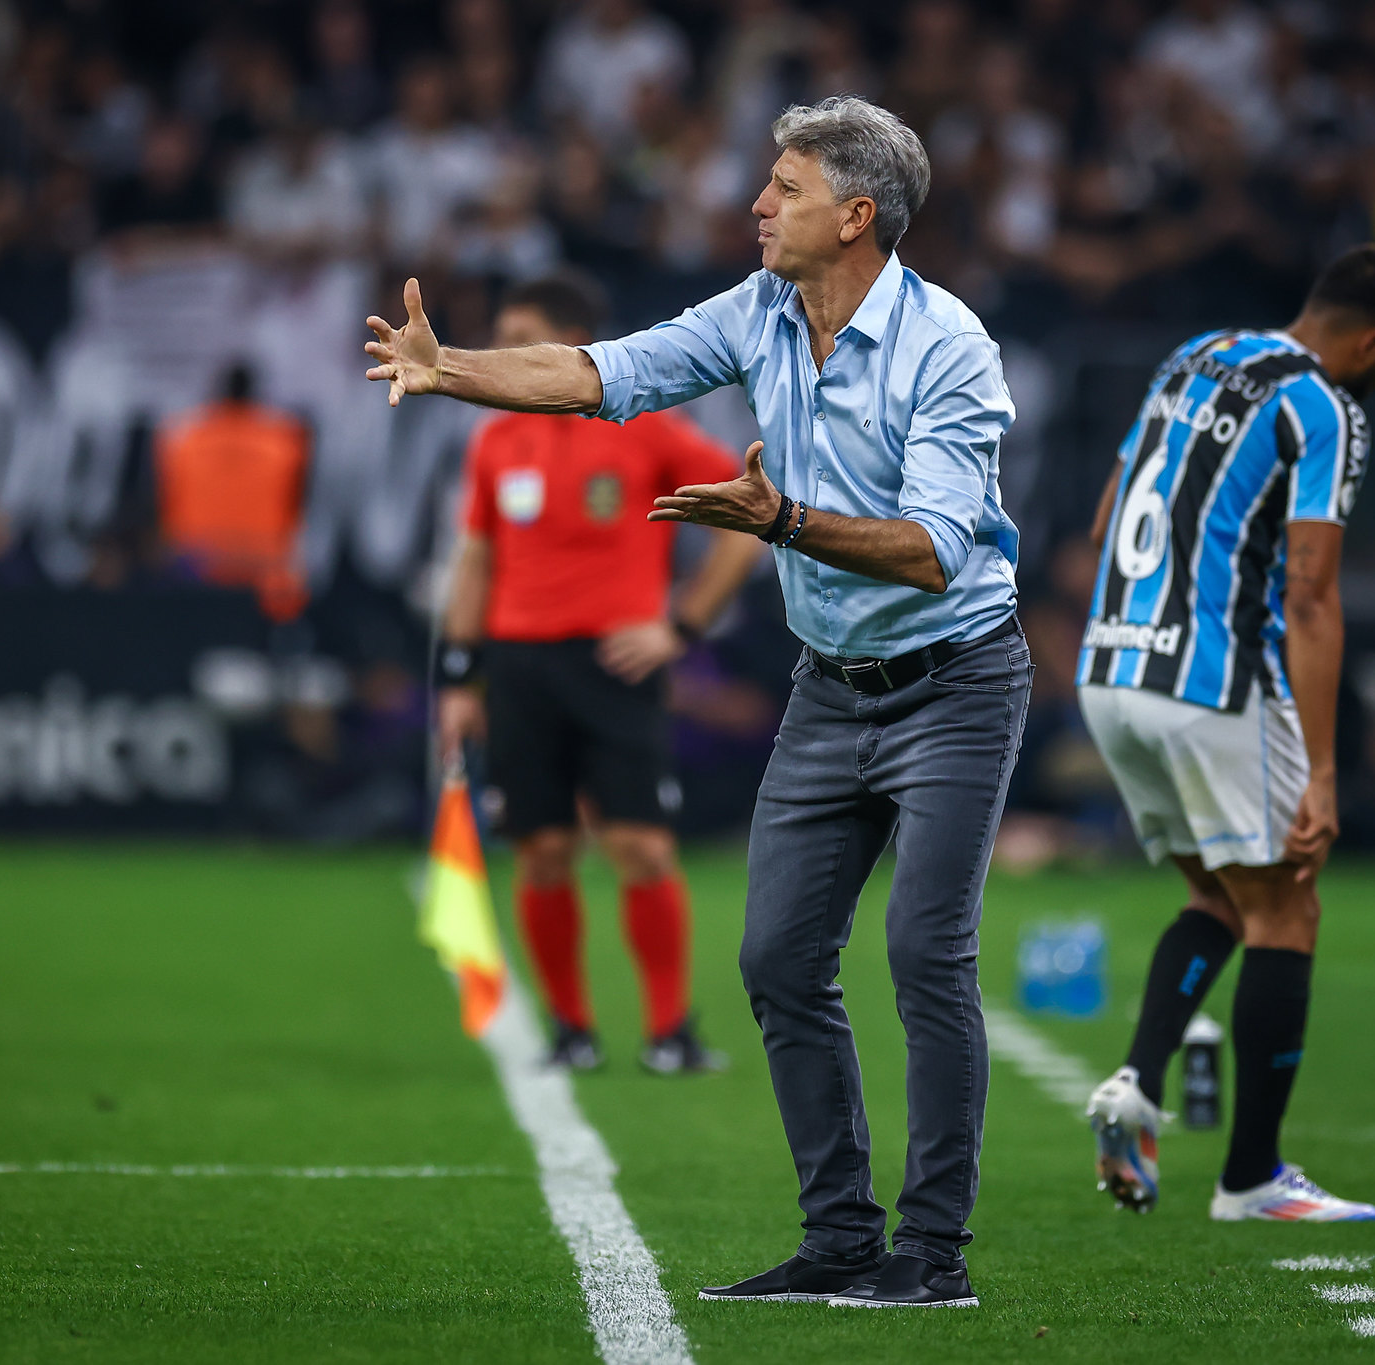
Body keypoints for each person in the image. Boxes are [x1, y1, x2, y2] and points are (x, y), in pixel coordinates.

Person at [371, 94, 1027, 1310]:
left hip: (952, 681)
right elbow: (600, 372)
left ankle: (929, 1257)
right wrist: (447, 366)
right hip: (830, 688)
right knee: (777, 959)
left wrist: (775, 520)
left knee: (923, 956)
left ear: (855, 215)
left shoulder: (951, 348)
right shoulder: (760, 309)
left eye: (782, 187)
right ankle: (836, 1239)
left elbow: (937, 549)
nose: (756, 205)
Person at [1075, 244, 1375, 1221]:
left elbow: (1108, 514)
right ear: (1368, 341)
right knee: (1288, 904)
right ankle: (1251, 1178)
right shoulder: (1325, 408)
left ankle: (1136, 1084)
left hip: (1110, 666)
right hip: (1208, 678)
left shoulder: (1193, 355)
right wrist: (1321, 769)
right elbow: (1311, 599)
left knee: (1219, 894)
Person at [434, 273, 764, 1074]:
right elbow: (476, 559)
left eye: (521, 338)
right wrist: (458, 677)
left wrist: (680, 626)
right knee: (542, 849)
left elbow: (748, 519)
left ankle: (669, 1030)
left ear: (567, 345)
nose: (504, 356)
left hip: (614, 665)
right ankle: (571, 1030)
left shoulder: (646, 425)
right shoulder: (497, 437)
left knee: (640, 845)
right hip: (518, 666)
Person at [155, 363, 309, 620]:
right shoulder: (286, 442)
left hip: (195, 562)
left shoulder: (183, 438)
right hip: (262, 566)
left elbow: (166, 504)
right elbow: (296, 505)